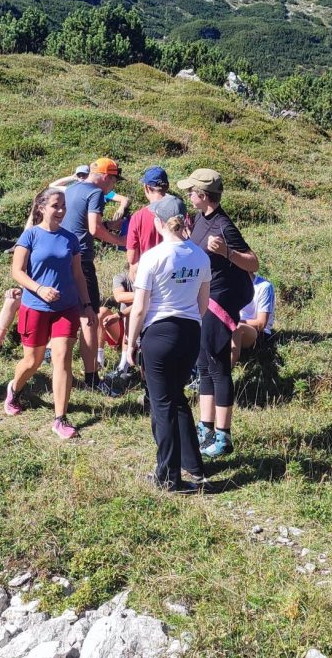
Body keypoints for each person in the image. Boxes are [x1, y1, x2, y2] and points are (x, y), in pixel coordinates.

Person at [125, 194, 212, 492]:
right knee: (176, 397)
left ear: (158, 223)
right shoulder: (200, 256)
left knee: (161, 405)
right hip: (190, 333)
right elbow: (203, 304)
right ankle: (194, 465)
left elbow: (139, 308)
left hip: (159, 334)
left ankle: (168, 477)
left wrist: (131, 343)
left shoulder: (152, 257)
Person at [179, 167, 259, 459]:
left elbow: (253, 263)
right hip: (204, 301)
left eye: (192, 191)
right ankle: (206, 427)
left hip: (219, 303)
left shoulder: (224, 225)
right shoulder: (201, 218)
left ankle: (224, 436)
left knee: (218, 366)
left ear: (203, 195)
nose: (189, 194)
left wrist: (227, 252)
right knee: (204, 365)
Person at [4, 188, 94, 440]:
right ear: (42, 208)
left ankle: (60, 418)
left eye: (63, 205)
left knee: (62, 358)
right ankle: (14, 389)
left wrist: (87, 305)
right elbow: (17, 271)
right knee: (32, 361)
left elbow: (78, 275)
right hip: (35, 307)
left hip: (66, 308)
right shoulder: (30, 235)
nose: (61, 210)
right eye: (56, 205)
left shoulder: (70, 239)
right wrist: (39, 289)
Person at [63, 157, 126, 389]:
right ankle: (92, 378)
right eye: (114, 181)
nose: (113, 186)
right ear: (106, 177)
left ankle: (63, 370)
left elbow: (79, 223)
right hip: (82, 260)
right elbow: (94, 228)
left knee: (66, 314)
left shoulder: (72, 189)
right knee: (89, 317)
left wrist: (108, 226)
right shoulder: (96, 193)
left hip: (63, 257)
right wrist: (119, 240)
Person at [126, 166, 181, 275]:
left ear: (146, 187)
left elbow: (131, 258)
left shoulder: (138, 217)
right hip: (175, 272)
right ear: (167, 186)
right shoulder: (179, 211)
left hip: (148, 274)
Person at [232, 272, 275, 365]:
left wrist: (234, 321)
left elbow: (261, 324)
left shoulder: (264, 287)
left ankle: (225, 370)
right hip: (232, 325)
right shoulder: (231, 284)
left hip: (258, 333)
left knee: (236, 328)